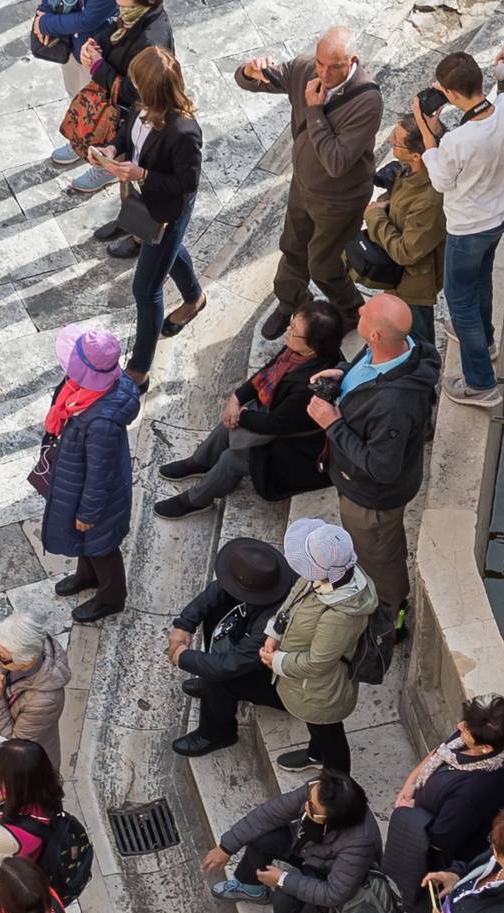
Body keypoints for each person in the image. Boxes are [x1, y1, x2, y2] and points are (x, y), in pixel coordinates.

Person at [236, 23, 381, 339]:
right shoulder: (305, 69)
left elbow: (337, 162)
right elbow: (254, 81)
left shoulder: (367, 100)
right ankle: (291, 303)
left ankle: (352, 312)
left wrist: (314, 112)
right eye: (320, 64)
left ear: (352, 61)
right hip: (302, 187)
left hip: (340, 198)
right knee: (292, 247)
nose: (324, 73)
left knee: (323, 265)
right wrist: (249, 71)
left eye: (334, 67)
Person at [305, 293, 439, 625]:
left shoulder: (394, 404)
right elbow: (367, 367)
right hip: (358, 484)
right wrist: (342, 373)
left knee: (379, 555)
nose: (359, 310)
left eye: (364, 315)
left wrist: (332, 423)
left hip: (371, 498)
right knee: (383, 546)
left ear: (376, 335)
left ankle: (391, 613)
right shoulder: (401, 346)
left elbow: (382, 467)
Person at [157, 300, 344, 518]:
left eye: (294, 330)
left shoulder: (310, 385)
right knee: (226, 424)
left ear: (314, 346)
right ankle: (200, 462)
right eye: (292, 323)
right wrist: (236, 398)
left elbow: (276, 424)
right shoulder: (297, 350)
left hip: (294, 449)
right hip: (278, 418)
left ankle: (196, 500)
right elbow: (267, 371)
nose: (288, 330)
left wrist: (241, 416)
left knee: (232, 459)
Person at [413, 53, 504, 412]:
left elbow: (442, 180)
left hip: (469, 228)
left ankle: (480, 384)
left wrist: (428, 134)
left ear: (449, 94)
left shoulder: (458, 141)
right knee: (482, 278)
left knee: (460, 304)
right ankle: (486, 342)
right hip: (503, 213)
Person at [207, 768, 381, 913]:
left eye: (312, 808)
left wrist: (282, 879)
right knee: (263, 836)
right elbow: (270, 814)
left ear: (333, 820)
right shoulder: (320, 789)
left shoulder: (359, 843)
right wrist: (227, 846)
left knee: (285, 897)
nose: (305, 805)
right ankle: (250, 887)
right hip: (307, 847)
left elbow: (334, 893)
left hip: (326, 873)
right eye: (308, 797)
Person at [99, 46, 206, 379]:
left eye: (137, 80)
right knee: (167, 252)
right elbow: (129, 134)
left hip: (166, 209)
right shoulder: (141, 104)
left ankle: (139, 370)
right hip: (145, 201)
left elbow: (187, 183)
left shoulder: (184, 132)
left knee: (145, 290)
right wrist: (113, 148)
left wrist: (143, 175)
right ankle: (195, 298)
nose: (132, 85)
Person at [384, 693, 504, 913]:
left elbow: (441, 839)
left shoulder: (476, 791)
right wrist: (411, 783)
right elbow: (440, 752)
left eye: (465, 729)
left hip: (452, 854)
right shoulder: (485, 738)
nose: (459, 726)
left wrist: (407, 814)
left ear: (486, 748)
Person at [38, 323, 140, 624]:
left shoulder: (101, 424)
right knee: (87, 543)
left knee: (102, 545)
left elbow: (99, 474)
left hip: (96, 497)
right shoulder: (90, 392)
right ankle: (87, 576)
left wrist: (88, 512)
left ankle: (112, 597)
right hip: (78, 481)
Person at [264, 518, 378, 776]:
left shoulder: (340, 615)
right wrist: (274, 632)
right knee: (318, 728)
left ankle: (340, 787)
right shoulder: (325, 576)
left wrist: (277, 661)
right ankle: (316, 754)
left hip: (320, 691)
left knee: (329, 732)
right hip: (304, 682)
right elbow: (293, 598)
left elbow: (318, 662)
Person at [58, 0, 172, 195]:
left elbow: (135, 93)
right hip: (110, 85)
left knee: (116, 136)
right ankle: (83, 143)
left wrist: (98, 66)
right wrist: (95, 43)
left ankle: (107, 168)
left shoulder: (151, 42)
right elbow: (116, 27)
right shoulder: (135, 13)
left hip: (125, 110)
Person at [167, 535, 296, 753]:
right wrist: (184, 624)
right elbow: (217, 591)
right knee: (216, 611)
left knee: (220, 677)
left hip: (284, 688)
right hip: (257, 654)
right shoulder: (270, 577)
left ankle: (217, 734)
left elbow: (230, 665)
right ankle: (209, 684)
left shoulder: (272, 624)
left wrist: (184, 657)